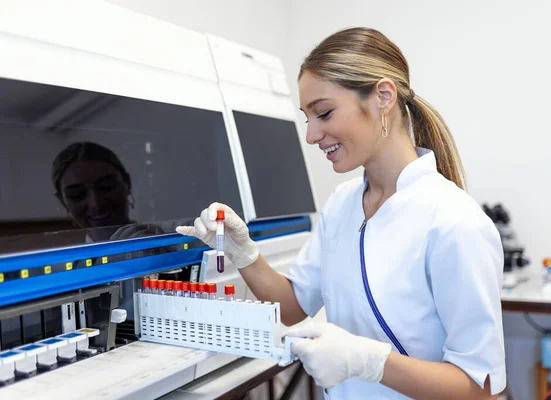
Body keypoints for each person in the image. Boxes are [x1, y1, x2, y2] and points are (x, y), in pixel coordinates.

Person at [177, 27, 505, 399]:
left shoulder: (454, 222)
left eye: (324, 113)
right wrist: (244, 253)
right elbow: (292, 308)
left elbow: (481, 389)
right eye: (307, 118)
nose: (312, 135)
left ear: (383, 96)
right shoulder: (341, 205)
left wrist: (371, 362)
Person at [52, 141, 163, 242]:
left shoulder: (166, 240)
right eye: (77, 194)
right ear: (62, 201)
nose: (96, 203)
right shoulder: (69, 262)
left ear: (127, 183)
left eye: (107, 186)